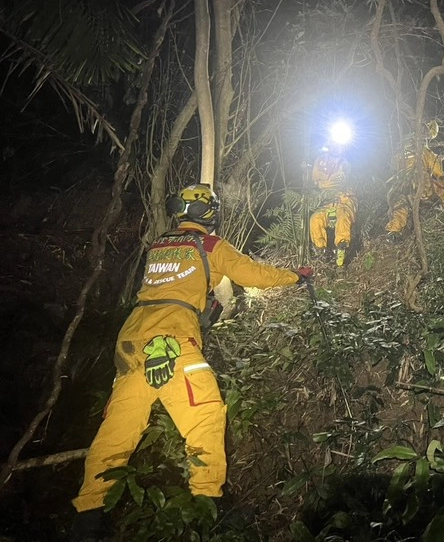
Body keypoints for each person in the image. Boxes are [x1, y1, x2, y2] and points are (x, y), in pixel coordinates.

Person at [70, 183, 313, 539]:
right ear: (210, 213)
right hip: (169, 341)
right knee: (206, 415)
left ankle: (86, 518)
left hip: (130, 340)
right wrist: (295, 277)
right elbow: (252, 275)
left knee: (117, 431)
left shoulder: (160, 244)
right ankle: (207, 506)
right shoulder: (210, 245)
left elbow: (177, 285)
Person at [385, 121, 444, 242]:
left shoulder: (400, 150)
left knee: (401, 206)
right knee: (441, 188)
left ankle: (394, 231)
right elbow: (439, 174)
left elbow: (393, 166)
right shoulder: (425, 152)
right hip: (420, 184)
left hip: (400, 183)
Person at [309, 143, 356, 267]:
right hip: (327, 200)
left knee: (343, 217)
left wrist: (326, 185)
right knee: (315, 220)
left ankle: (341, 252)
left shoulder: (347, 161)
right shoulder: (320, 160)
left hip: (344, 198)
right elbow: (315, 181)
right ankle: (321, 253)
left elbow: (345, 178)